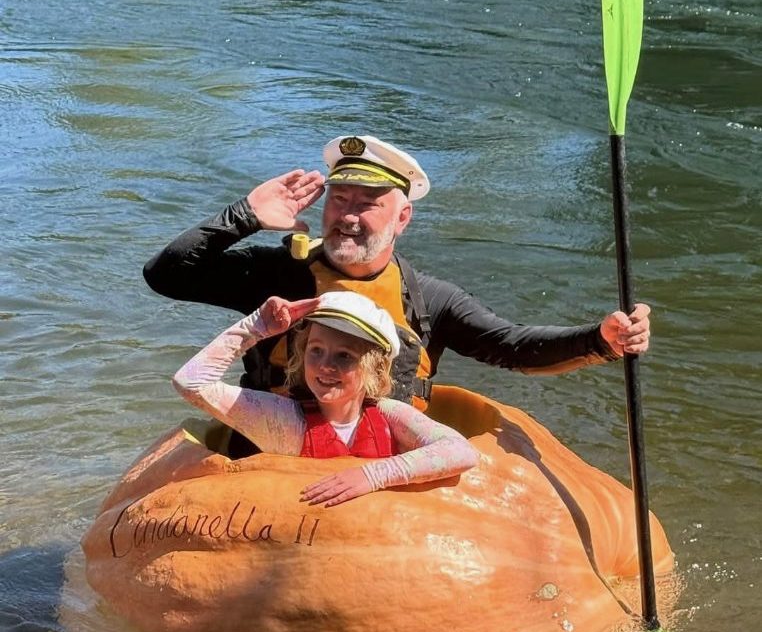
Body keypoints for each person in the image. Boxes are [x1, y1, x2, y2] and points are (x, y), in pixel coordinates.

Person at [145, 134, 650, 432]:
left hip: (378, 454)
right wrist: (244, 216)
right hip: (274, 443)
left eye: (368, 204)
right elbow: (166, 275)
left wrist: (601, 340)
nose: (347, 216)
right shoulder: (276, 275)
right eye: (340, 199)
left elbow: (512, 347)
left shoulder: (431, 300)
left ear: (401, 217)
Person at [172, 291, 479, 507]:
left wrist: (373, 475)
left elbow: (460, 451)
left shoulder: (389, 415)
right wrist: (256, 327)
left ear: (374, 367)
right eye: (315, 350)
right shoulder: (283, 420)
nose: (325, 365)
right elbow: (191, 382)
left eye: (344, 356)